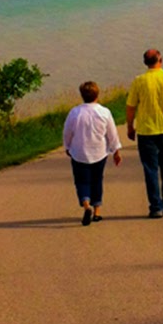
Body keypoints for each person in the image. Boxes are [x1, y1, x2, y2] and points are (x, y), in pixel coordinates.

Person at [126, 49, 163, 219]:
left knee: (150, 169)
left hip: (146, 131)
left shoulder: (139, 81)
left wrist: (130, 127)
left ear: (145, 62)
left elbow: (131, 107)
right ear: (160, 60)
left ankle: (156, 206)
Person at [63, 81, 122, 226]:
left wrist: (67, 146)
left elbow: (67, 132)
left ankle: (86, 203)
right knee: (97, 180)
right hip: (99, 152)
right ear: (97, 94)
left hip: (79, 152)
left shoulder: (75, 112)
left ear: (82, 95)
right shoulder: (104, 112)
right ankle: (97, 212)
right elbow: (112, 133)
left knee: (81, 181)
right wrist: (116, 150)